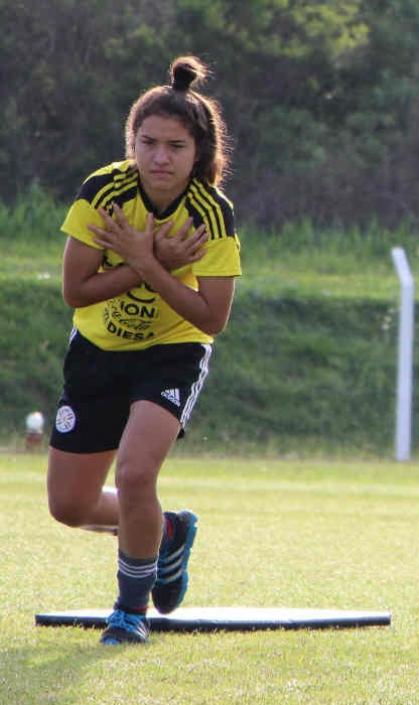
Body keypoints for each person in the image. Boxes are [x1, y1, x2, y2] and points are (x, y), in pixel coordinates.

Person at [46, 56, 240, 645]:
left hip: (172, 351)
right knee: (70, 507)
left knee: (135, 473)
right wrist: (150, 264)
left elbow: (211, 317)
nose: (159, 157)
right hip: (99, 349)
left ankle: (129, 612)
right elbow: (76, 291)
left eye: (175, 146)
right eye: (148, 142)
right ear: (131, 141)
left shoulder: (212, 216)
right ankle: (170, 531)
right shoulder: (102, 192)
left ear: (198, 153)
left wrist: (143, 260)